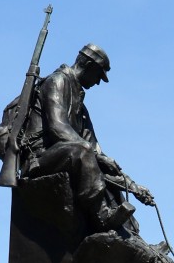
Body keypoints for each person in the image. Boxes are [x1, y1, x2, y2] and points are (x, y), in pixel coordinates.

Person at [17, 43, 154, 231]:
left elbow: (95, 148)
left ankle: (132, 237)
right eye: (99, 75)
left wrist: (132, 185)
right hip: (40, 159)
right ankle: (102, 215)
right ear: (88, 65)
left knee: (101, 168)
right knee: (83, 152)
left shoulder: (80, 105)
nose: (98, 82)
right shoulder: (57, 81)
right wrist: (97, 157)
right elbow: (59, 129)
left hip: (68, 154)